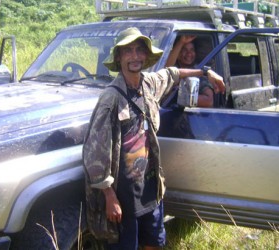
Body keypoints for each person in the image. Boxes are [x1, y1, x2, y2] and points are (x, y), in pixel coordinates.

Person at [83, 27, 225, 250]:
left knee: (155, 242)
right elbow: (94, 152)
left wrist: (206, 73)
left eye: (139, 50)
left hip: (151, 187)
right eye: (128, 51)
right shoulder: (110, 99)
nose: (135, 56)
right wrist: (109, 196)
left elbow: (173, 73)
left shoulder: (149, 84)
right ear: (119, 57)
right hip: (124, 195)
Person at [166, 35, 215, 107]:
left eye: (192, 50)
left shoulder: (200, 72)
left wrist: (178, 97)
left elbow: (208, 101)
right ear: (178, 54)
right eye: (184, 50)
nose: (189, 54)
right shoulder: (173, 66)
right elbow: (167, 70)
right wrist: (181, 42)